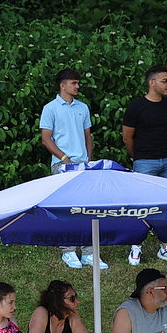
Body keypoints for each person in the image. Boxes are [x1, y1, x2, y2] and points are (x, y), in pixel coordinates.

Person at [40, 68, 106, 271]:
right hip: (62, 165)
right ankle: (68, 250)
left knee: (87, 209)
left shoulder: (83, 107)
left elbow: (88, 136)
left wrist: (88, 159)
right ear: (63, 85)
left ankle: (89, 253)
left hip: (83, 165)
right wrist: (64, 159)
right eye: (73, 83)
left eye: (78, 83)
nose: (77, 86)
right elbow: (46, 139)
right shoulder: (50, 108)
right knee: (66, 210)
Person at [121, 64, 167, 267]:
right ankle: (136, 246)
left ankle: (166, 246)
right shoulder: (136, 107)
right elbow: (127, 137)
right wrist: (139, 157)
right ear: (152, 82)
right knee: (141, 205)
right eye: (165, 81)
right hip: (144, 161)